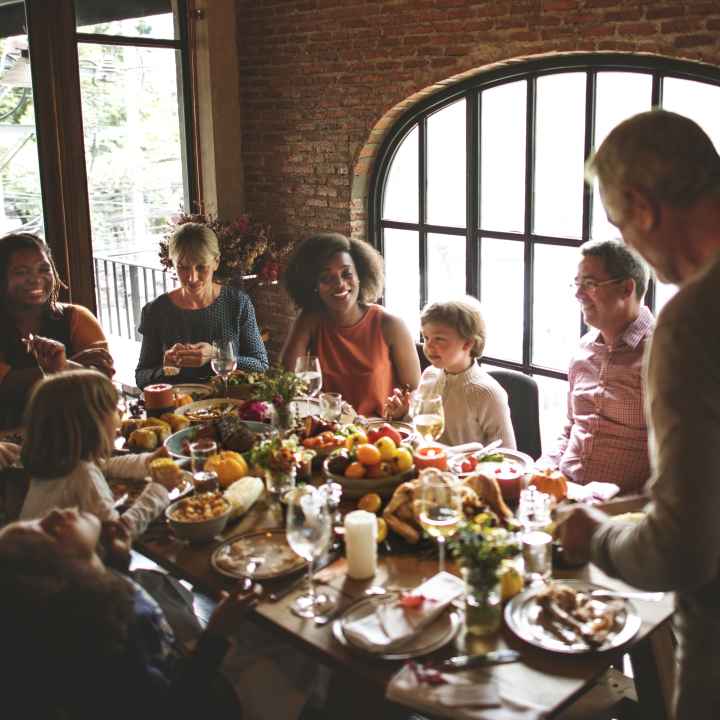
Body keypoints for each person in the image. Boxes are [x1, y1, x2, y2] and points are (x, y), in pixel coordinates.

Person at [558, 110, 720, 720]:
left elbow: (681, 550)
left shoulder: (693, 321)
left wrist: (595, 534)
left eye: (620, 223)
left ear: (641, 205)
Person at [0, 507, 257, 719]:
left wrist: (117, 561)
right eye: (49, 531)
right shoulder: (106, 642)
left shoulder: (94, 588)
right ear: (61, 577)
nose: (54, 512)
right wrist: (216, 634)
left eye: (35, 520)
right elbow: (175, 706)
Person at [537, 239, 654, 494]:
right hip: (565, 492)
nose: (578, 294)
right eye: (578, 284)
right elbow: (572, 427)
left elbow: (679, 461)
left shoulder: (662, 355)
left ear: (626, 288)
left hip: (621, 512)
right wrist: (543, 468)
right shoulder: (583, 350)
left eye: (590, 284)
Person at [280, 232, 420, 417]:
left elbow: (417, 392)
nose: (339, 284)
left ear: (360, 276)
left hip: (381, 434)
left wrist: (404, 407)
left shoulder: (390, 324)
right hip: (328, 432)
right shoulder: (309, 321)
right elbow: (288, 381)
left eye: (347, 274)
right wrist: (329, 406)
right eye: (326, 278)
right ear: (312, 284)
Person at [20, 370, 172, 538]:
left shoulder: (55, 465)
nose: (120, 414)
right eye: (114, 409)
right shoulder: (83, 476)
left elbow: (105, 465)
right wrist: (159, 490)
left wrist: (148, 462)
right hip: (70, 563)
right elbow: (117, 535)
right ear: (92, 425)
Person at [0, 232, 114, 429]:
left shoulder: (77, 317)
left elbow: (103, 385)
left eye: (44, 269)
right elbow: (7, 387)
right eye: (21, 272)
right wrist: (70, 367)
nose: (35, 279)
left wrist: (62, 367)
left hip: (79, 437)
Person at [135, 222, 269, 389]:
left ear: (216, 262)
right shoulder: (156, 310)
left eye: (201, 267)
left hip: (227, 403)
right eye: (183, 267)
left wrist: (216, 354)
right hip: (178, 410)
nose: (192, 278)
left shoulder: (237, 303)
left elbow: (261, 365)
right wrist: (166, 369)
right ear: (172, 264)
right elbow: (141, 377)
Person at [384, 297, 515, 448]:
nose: (428, 346)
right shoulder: (429, 375)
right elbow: (417, 432)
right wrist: (401, 414)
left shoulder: (487, 393)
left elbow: (507, 453)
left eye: (439, 339)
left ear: (468, 343)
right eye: (426, 337)